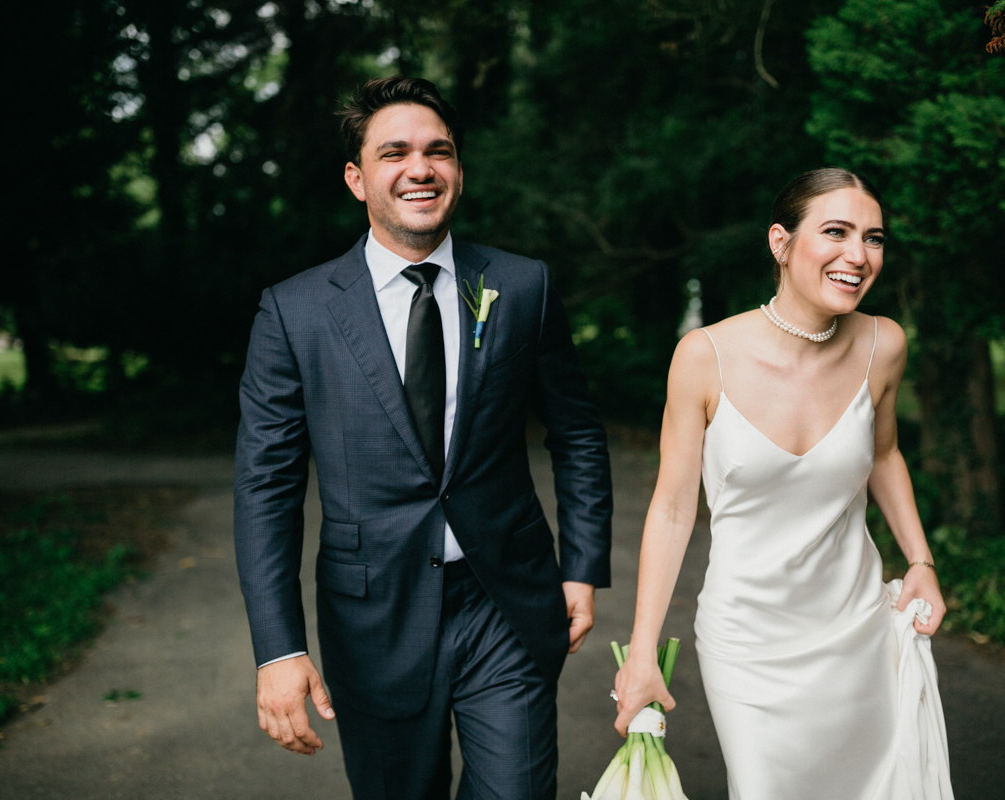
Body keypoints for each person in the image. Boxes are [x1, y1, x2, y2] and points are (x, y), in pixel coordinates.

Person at [234, 76, 613, 800]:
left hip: (505, 599)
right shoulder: (295, 312)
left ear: (459, 171)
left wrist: (582, 563)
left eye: (439, 152)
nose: (420, 168)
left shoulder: (521, 286)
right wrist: (279, 648)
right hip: (372, 615)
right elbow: (266, 488)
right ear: (357, 178)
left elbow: (577, 431)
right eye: (395, 153)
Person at [612, 169, 953, 798]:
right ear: (781, 242)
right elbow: (671, 509)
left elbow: (884, 455)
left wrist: (920, 560)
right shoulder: (704, 356)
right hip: (747, 641)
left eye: (873, 238)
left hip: (856, 632)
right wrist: (641, 652)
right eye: (836, 232)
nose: (858, 255)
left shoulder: (884, 344)